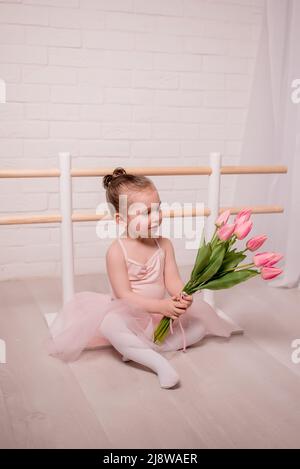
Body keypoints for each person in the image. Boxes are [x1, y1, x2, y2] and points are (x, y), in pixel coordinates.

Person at [48, 167, 241, 389]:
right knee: (111, 326)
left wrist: (181, 295)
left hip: (159, 315)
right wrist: (161, 306)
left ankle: (145, 349)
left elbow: (172, 280)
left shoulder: (164, 244)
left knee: (199, 326)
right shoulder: (116, 251)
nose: (156, 216)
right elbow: (125, 296)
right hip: (128, 314)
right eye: (145, 212)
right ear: (121, 219)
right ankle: (158, 364)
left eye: (157, 209)